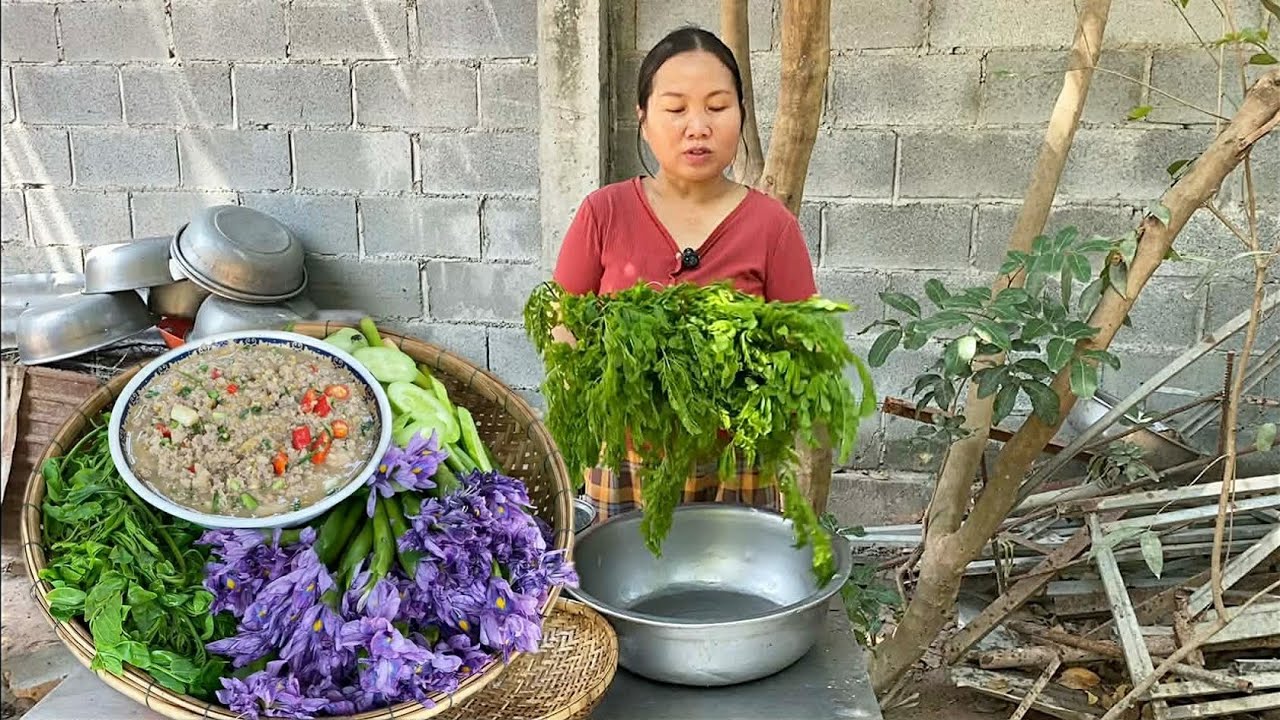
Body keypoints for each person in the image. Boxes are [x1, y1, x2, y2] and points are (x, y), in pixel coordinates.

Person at [551, 25, 819, 521]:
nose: (698, 126)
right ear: (644, 118)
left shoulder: (771, 227)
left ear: (740, 114)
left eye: (717, 107)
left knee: (728, 588)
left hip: (735, 457)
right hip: (625, 454)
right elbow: (563, 326)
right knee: (622, 585)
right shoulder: (604, 213)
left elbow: (803, 347)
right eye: (676, 109)